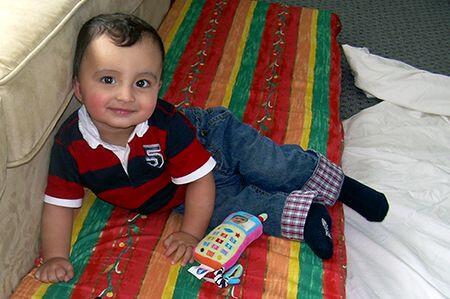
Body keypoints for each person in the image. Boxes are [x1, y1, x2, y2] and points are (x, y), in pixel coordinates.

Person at [34, 13, 389, 283]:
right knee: (231, 215)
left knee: (269, 165)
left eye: (142, 82)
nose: (126, 95)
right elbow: (59, 205)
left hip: (209, 138)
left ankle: (342, 186)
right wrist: (54, 255)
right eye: (108, 80)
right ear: (78, 88)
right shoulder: (71, 144)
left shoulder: (165, 124)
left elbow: (202, 178)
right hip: (179, 190)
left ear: (158, 85)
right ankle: (306, 215)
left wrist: (189, 233)